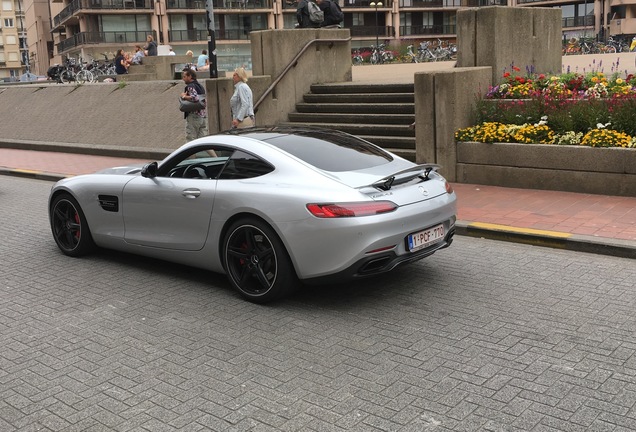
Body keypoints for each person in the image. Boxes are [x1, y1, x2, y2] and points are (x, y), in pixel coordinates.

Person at [180, 68, 208, 141]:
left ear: (190, 76)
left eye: (184, 77)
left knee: (190, 139)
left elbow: (195, 98)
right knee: (202, 141)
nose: (183, 79)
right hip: (202, 116)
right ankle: (213, 153)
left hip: (193, 116)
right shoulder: (200, 86)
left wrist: (184, 96)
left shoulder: (190, 86)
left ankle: (191, 153)